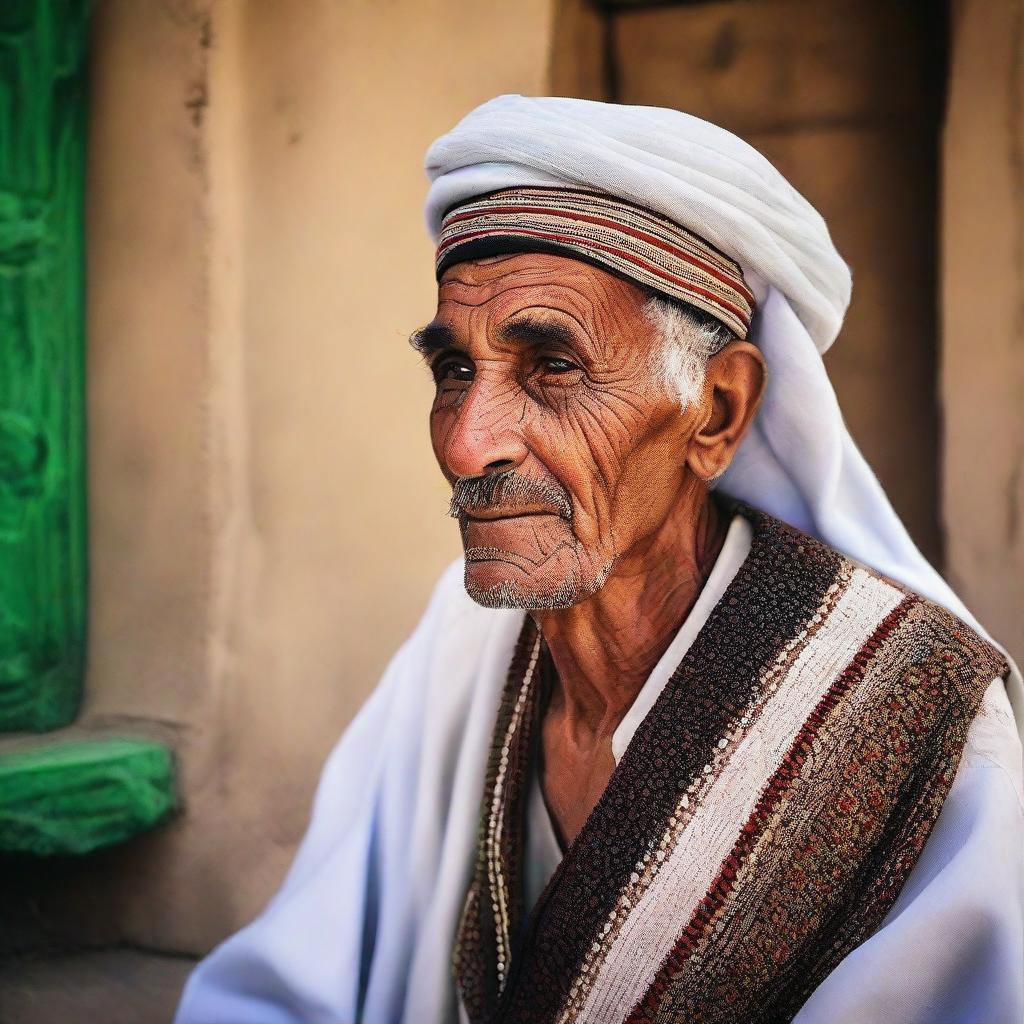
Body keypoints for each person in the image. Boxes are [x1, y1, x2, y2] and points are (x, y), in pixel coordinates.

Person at [175, 96, 1024, 1024]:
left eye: (553, 366)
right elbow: (295, 979)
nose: (468, 445)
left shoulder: (922, 714)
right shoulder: (462, 642)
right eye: (455, 371)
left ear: (719, 411)